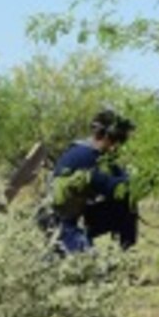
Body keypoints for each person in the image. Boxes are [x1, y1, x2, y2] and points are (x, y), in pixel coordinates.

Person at [47, 108, 137, 254]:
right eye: (118, 138)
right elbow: (114, 186)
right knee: (88, 265)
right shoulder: (85, 155)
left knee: (126, 204)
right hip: (59, 223)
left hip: (74, 218)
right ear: (107, 136)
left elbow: (121, 182)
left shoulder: (94, 154)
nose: (120, 144)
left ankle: (124, 254)